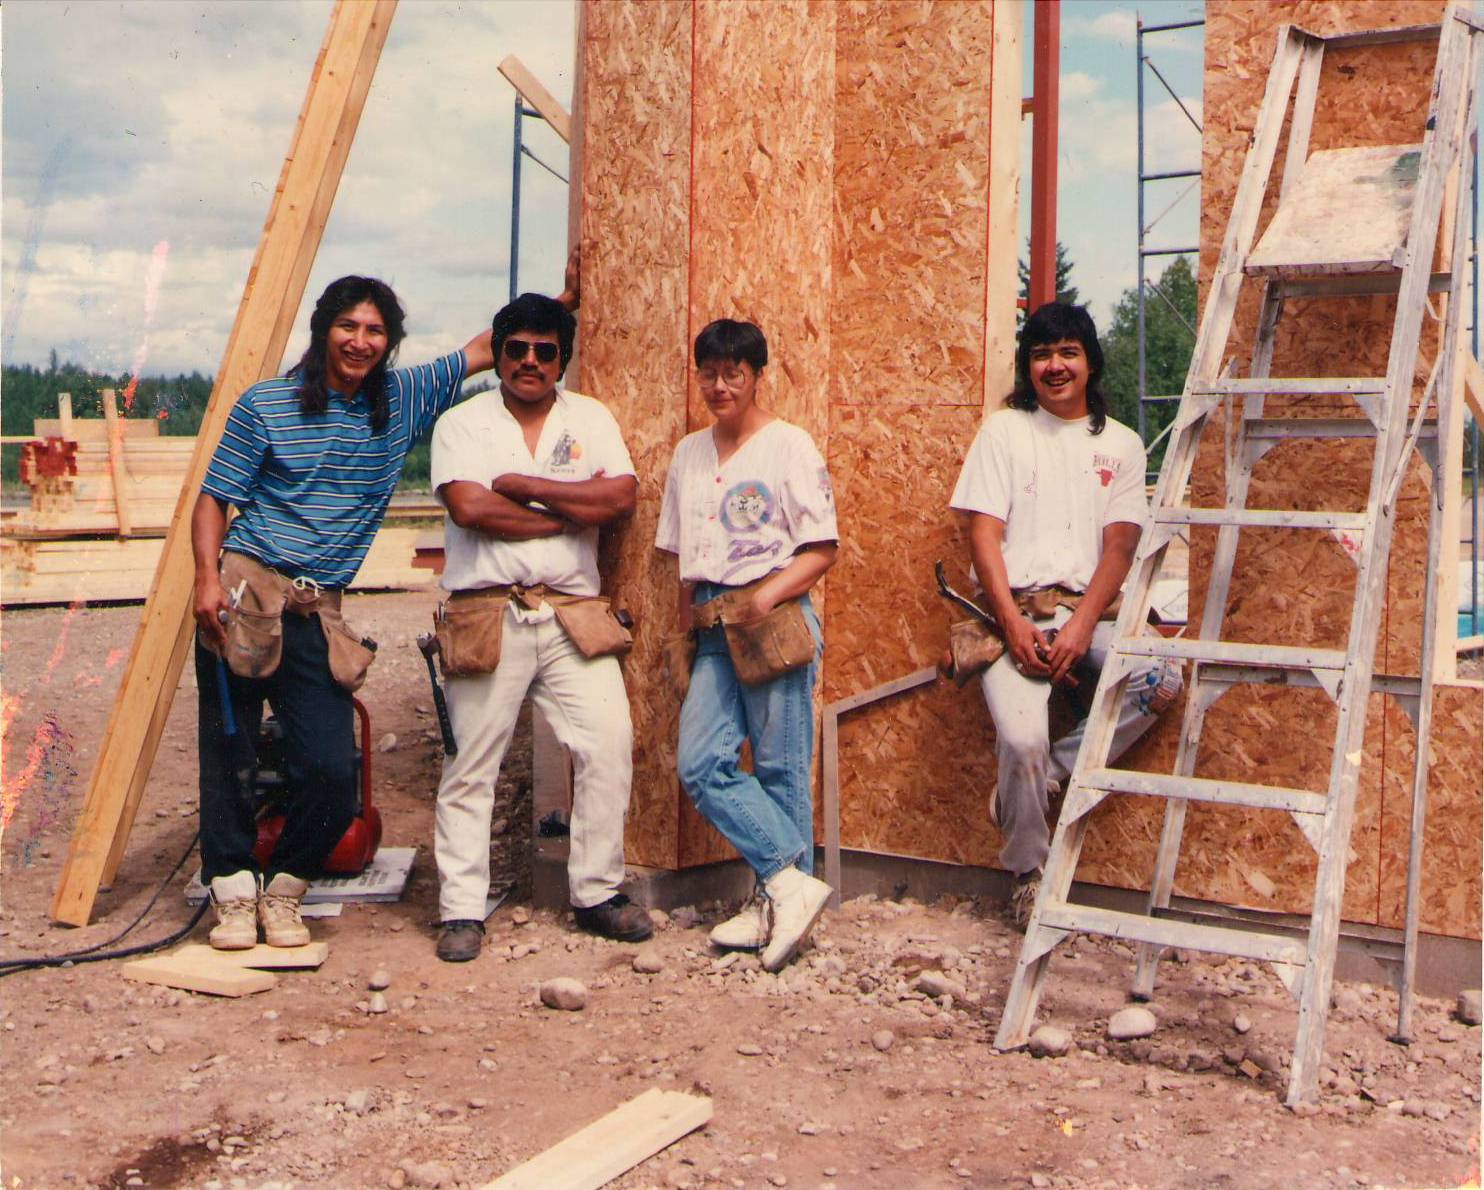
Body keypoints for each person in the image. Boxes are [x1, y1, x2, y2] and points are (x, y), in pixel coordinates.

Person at [193, 268, 577, 951]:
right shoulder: (266, 405)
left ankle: (284, 890)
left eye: (375, 330)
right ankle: (230, 894)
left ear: (389, 341)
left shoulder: (401, 399)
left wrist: (558, 305)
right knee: (232, 751)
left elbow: (486, 349)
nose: (360, 341)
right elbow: (214, 497)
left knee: (332, 773)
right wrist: (204, 580)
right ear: (323, 331)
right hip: (248, 591)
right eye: (348, 326)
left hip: (317, 609)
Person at [430, 292, 652, 962]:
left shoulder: (590, 417)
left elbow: (619, 496)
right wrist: (565, 516)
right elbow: (470, 506)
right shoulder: (464, 422)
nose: (530, 361)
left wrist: (525, 484)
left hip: (570, 613)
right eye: (516, 349)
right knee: (472, 763)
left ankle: (596, 892)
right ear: (498, 354)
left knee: (608, 744)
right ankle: (461, 909)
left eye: (545, 351)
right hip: (488, 610)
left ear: (562, 358)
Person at [949, 302, 1182, 928]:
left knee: (1161, 677)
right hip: (1012, 618)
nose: (1055, 366)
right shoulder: (1005, 431)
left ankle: (1039, 782)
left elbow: (1121, 546)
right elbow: (982, 535)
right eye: (1042, 355)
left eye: (1068, 353)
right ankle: (1028, 872)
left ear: (1089, 361)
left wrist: (1081, 628)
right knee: (1020, 738)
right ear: (1030, 366)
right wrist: (1012, 623)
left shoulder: (1123, 444)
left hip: (1088, 614)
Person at [656, 319, 838, 973]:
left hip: (772, 619)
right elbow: (681, 560)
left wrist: (768, 598)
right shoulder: (689, 455)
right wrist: (687, 634)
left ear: (759, 376)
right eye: (709, 371)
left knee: (782, 768)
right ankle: (791, 888)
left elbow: (822, 549)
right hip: (712, 626)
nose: (720, 385)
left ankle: (776, 907)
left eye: (734, 372)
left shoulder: (788, 446)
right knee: (702, 763)